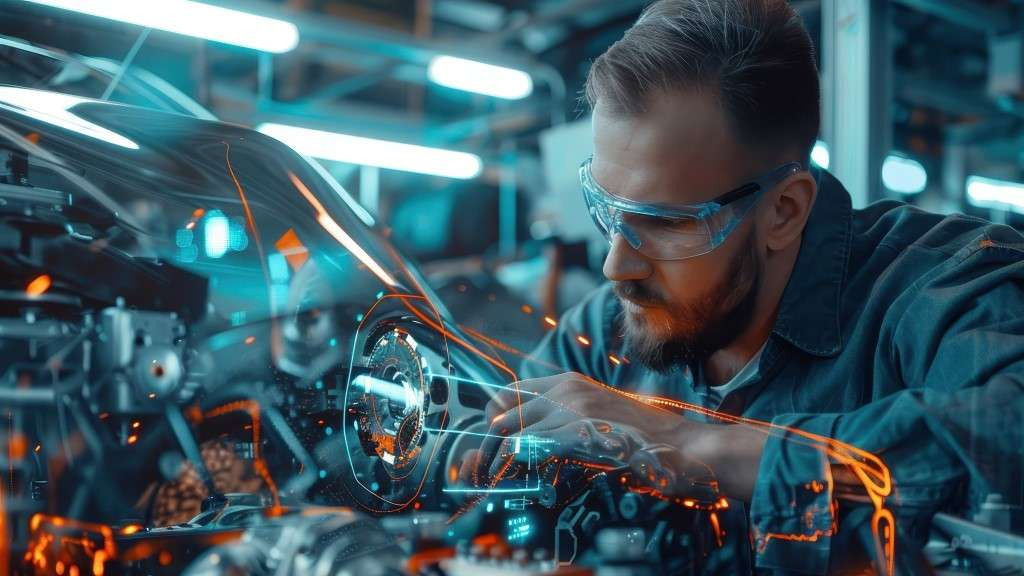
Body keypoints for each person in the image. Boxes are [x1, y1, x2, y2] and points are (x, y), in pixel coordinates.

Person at [461, 0, 1024, 573]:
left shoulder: (937, 285)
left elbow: (1007, 429)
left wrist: (692, 444)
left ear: (783, 210)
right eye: (605, 209)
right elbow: (474, 442)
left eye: (666, 222)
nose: (615, 267)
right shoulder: (601, 334)